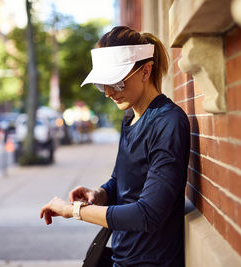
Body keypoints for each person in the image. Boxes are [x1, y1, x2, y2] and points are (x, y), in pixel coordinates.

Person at [40, 26, 190, 267]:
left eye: (116, 82)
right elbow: (122, 179)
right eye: (102, 85)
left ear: (146, 71)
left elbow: (148, 214)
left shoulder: (168, 122)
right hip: (121, 257)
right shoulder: (130, 117)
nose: (108, 92)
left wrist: (73, 211)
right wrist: (101, 193)